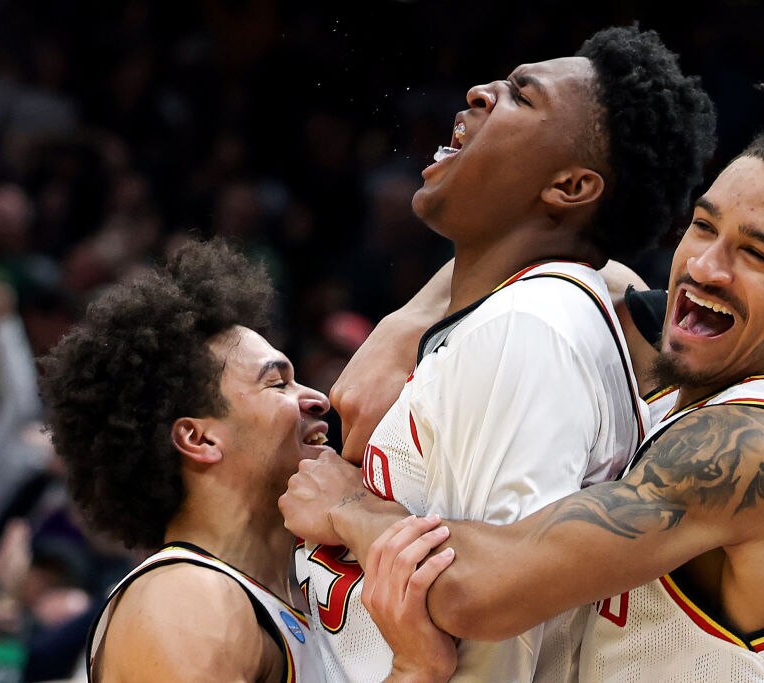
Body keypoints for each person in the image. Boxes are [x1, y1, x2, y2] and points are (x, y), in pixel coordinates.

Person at [283, 43, 764, 681]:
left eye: (756, 254)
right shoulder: (703, 342)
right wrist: (403, 327)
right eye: (704, 225)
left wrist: (348, 505)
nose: (705, 267)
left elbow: (478, 593)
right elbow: (551, 255)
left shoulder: (763, 451)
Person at [280, 25, 715, 682]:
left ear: (570, 187)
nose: (479, 93)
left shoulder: (531, 327)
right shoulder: (519, 313)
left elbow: (496, 647)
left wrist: (350, 508)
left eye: (521, 95)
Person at [38, 239, 455, 682]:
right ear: (199, 438)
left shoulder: (302, 583)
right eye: (277, 384)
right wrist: (415, 672)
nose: (316, 398)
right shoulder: (183, 598)